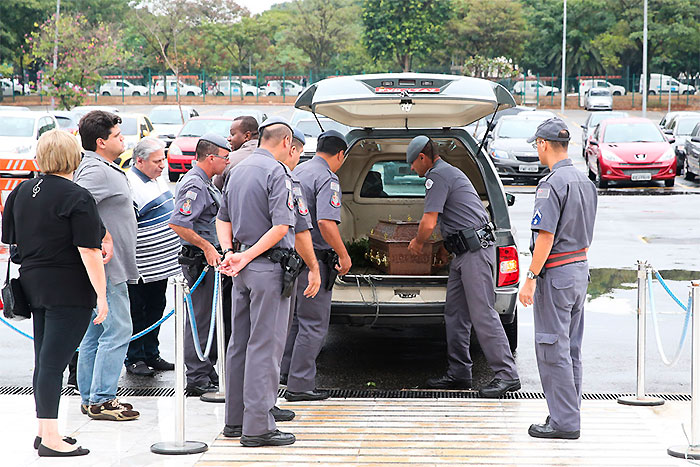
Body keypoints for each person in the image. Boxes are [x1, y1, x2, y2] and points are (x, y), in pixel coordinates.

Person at [1, 130, 105, 457]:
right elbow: (89, 250)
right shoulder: (77, 195)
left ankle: (45, 430)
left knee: (45, 359)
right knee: (53, 363)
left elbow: (10, 240)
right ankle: (49, 438)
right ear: (74, 156)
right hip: (69, 288)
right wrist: (101, 295)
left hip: (33, 284)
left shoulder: (20, 191)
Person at [406, 135, 520, 398]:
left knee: (482, 314)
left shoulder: (438, 175)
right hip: (462, 253)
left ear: (423, 158)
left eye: (413, 164)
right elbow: (456, 217)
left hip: (475, 252)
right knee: (455, 314)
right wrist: (447, 248)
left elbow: (428, 222)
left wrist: (417, 243)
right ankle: (459, 373)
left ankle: (507, 375)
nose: (413, 169)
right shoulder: (447, 173)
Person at [216, 116, 298, 447]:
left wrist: (231, 253)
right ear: (285, 144)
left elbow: (223, 219)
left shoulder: (238, 169)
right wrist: (245, 257)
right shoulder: (276, 173)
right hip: (265, 268)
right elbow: (281, 227)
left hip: (242, 269)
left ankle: (235, 421)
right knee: (265, 346)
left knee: (239, 345)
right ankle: (258, 427)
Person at [519, 118, 597, 439]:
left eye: (536, 145)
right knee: (571, 350)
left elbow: (545, 238)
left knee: (552, 348)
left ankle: (564, 423)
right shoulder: (585, 182)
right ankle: (568, 414)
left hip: (557, 275)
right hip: (579, 270)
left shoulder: (551, 185)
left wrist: (531, 277)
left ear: (543, 144)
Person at [74, 110, 140, 421]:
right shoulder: (95, 170)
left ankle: (91, 397)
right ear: (101, 142)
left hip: (108, 267)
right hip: (106, 268)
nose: (122, 139)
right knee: (118, 330)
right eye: (116, 135)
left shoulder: (102, 166)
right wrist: (104, 234)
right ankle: (101, 399)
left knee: (95, 334)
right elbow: (76, 205)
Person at [281, 129, 351, 402]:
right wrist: (343, 255)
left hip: (291, 258)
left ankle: (286, 372)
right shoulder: (327, 178)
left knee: (296, 321)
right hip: (314, 260)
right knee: (314, 324)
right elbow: (325, 222)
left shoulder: (299, 171)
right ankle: (300, 386)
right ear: (340, 154)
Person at [169, 133, 232, 396]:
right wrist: (207, 247)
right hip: (200, 261)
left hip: (210, 260)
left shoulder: (207, 183)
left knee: (211, 317)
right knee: (200, 318)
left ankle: (205, 369)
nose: (227, 162)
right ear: (210, 157)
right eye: (225, 158)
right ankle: (196, 376)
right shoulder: (195, 185)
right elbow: (178, 223)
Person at [124, 137, 181, 377]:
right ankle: (135, 357)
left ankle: (151, 353)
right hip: (140, 264)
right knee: (138, 310)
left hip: (160, 264)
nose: (163, 165)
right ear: (140, 161)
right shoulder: (130, 183)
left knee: (157, 307)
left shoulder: (157, 179)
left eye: (163, 159)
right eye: (157, 161)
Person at [212, 116, 259, 191]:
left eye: (232, 134)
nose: (228, 138)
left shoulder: (228, 160)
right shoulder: (273, 157)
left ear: (247, 136)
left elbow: (216, 190)